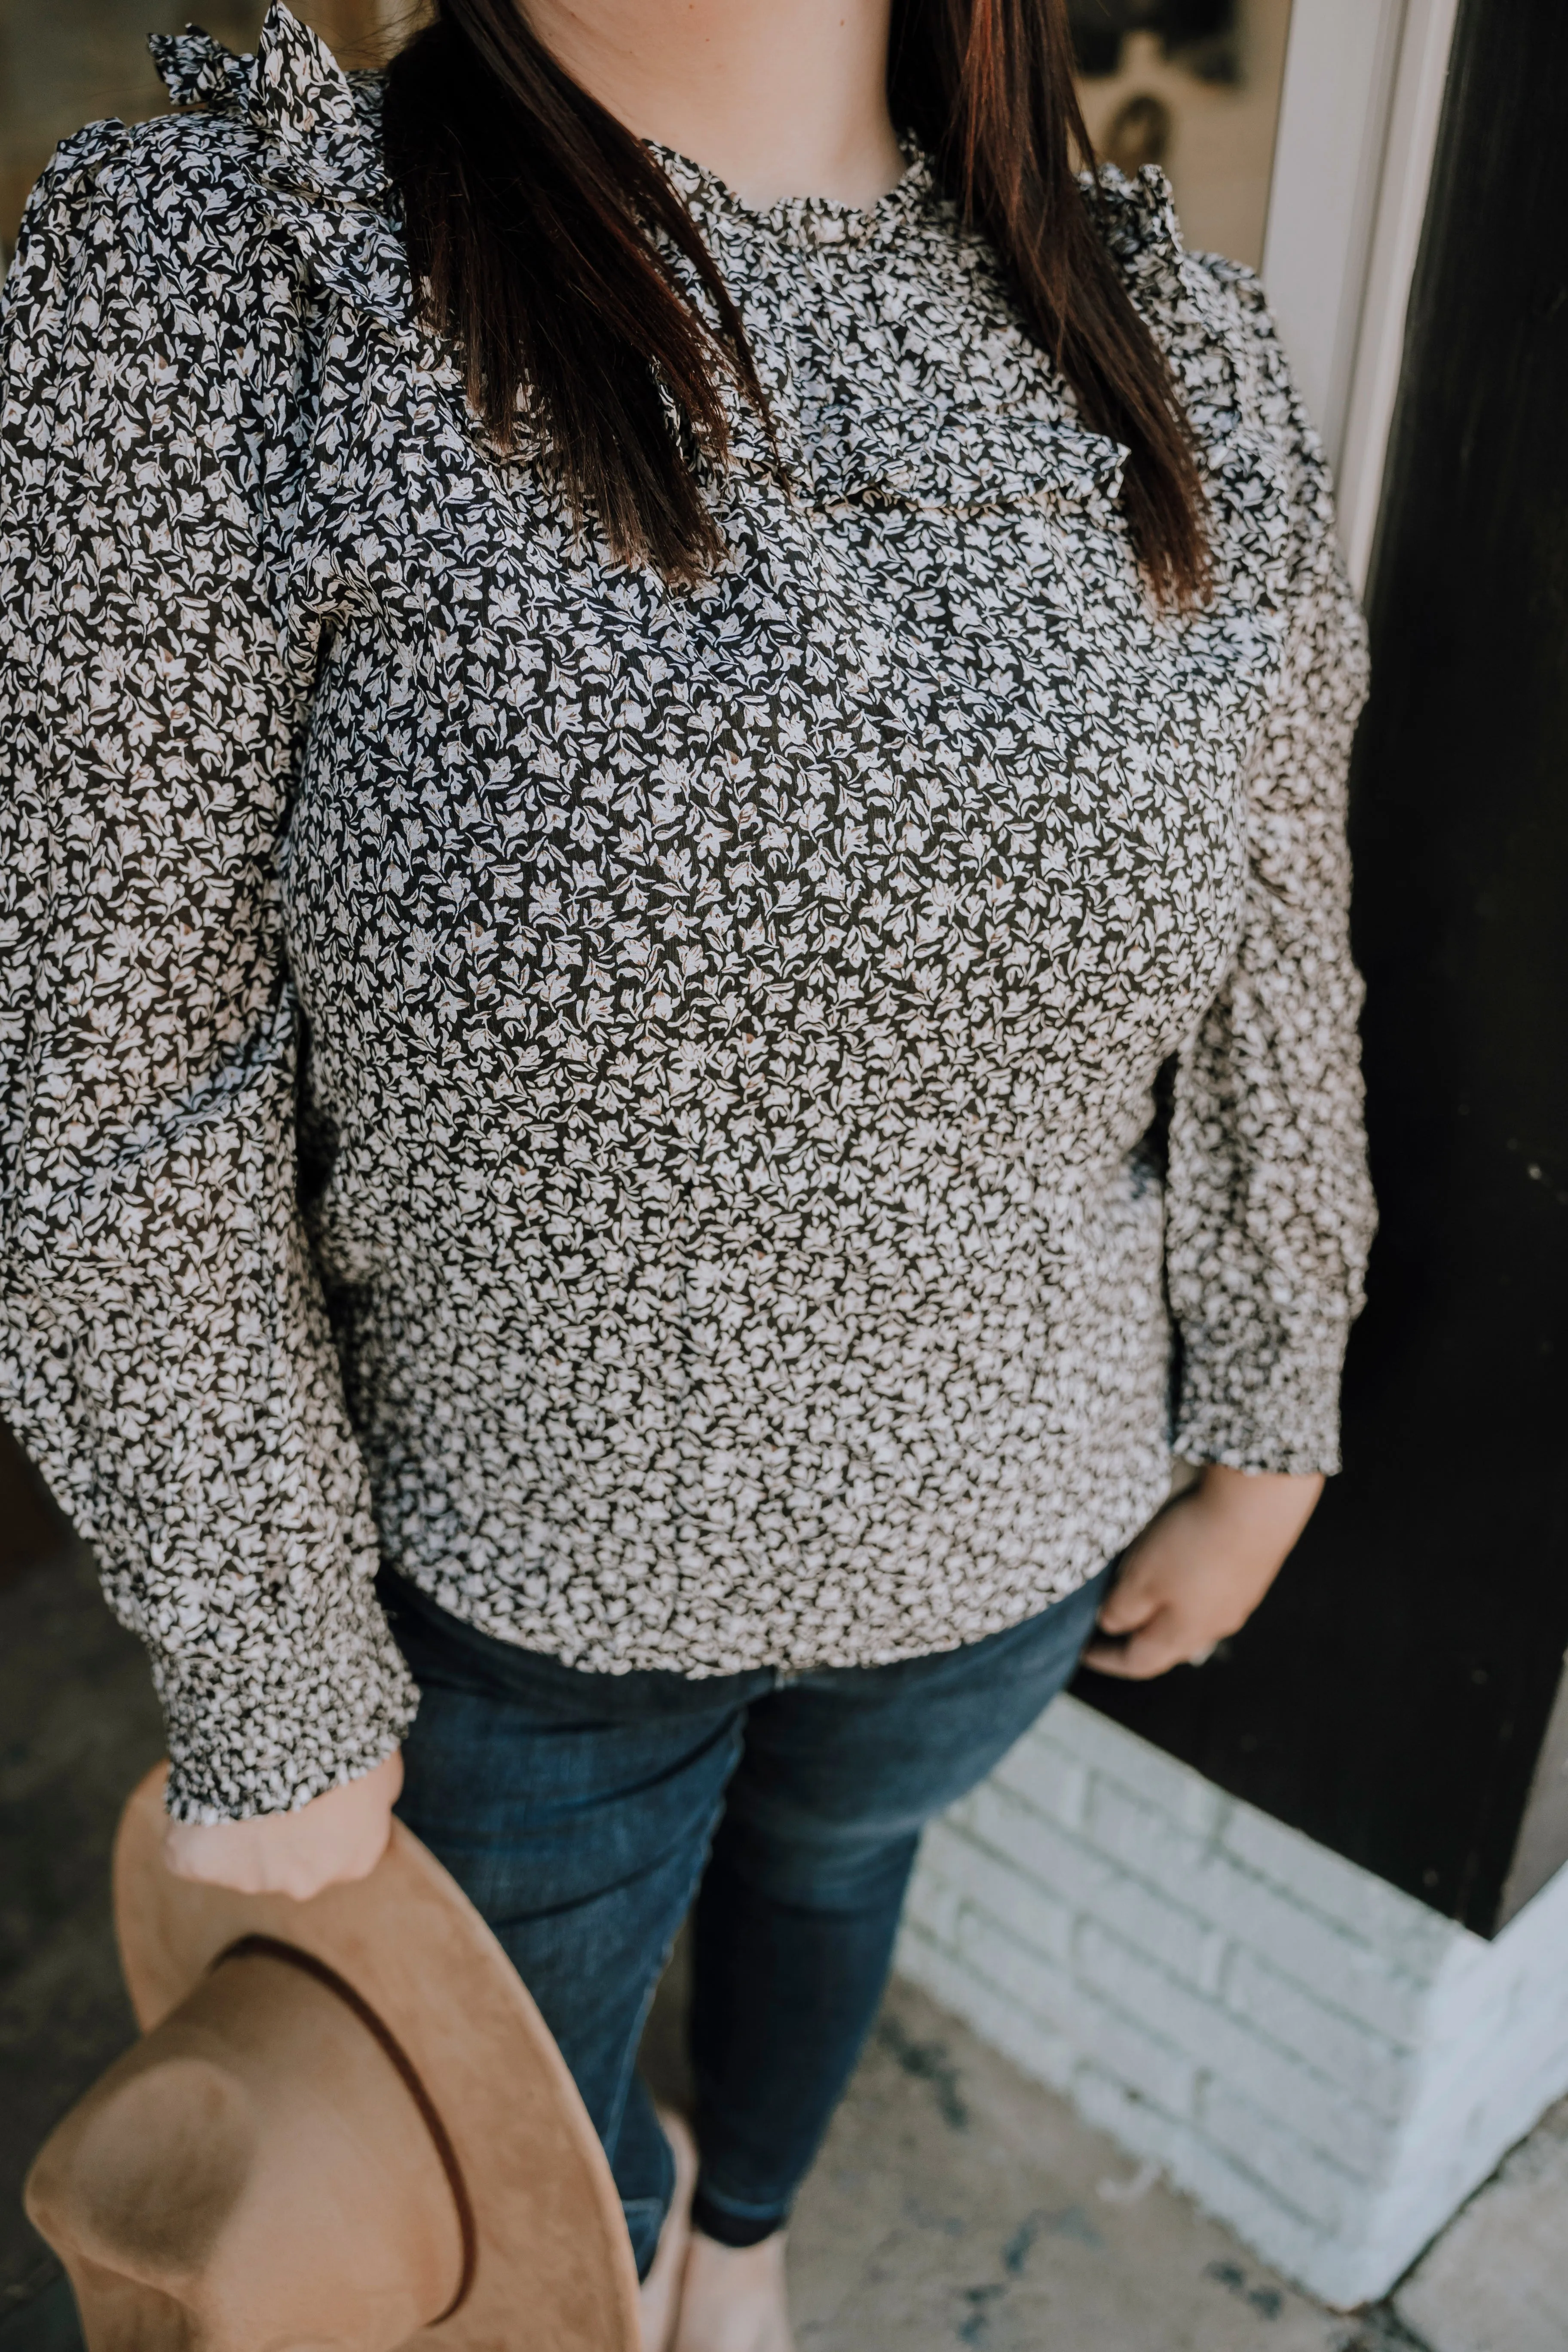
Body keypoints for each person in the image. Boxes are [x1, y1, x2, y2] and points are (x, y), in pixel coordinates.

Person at [0, 0, 1374, 2344]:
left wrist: (1273, 1399)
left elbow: (1280, 934)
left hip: (1003, 1524)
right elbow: (113, 1058)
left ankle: (742, 2243)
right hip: (521, 1596)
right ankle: (612, 2230)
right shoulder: (244, 273)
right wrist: (266, 1657)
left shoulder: (1184, 351)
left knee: (834, 1887)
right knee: (503, 2134)